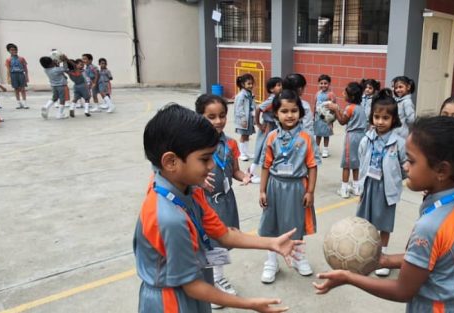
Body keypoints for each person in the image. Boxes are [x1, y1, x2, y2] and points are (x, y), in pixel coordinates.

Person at [314, 116, 454, 313]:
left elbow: (402, 291)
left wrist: (349, 278)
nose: (405, 166)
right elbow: (436, 256)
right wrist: (386, 260)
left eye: (411, 161)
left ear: (442, 170)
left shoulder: (430, 226)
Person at [135, 103, 301, 312]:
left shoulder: (186, 188)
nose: (211, 165)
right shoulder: (170, 219)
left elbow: (223, 234)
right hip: (171, 303)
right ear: (170, 162)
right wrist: (249, 304)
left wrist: (271, 243)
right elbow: (193, 287)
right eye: (204, 159)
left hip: (190, 294)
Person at [194, 94, 253, 309]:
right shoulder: (193, 145)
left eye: (222, 116)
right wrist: (197, 183)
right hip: (204, 202)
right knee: (206, 244)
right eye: (211, 117)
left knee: (222, 242)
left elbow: (235, 170)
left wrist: (244, 176)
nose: (218, 121)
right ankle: (209, 283)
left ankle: (217, 277)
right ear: (199, 117)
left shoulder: (230, 143)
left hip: (226, 200)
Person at [258, 89, 319, 284]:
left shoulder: (306, 138)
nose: (290, 115)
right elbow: (266, 165)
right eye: (284, 111)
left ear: (300, 113)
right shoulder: (271, 137)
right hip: (275, 186)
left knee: (296, 225)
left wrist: (310, 191)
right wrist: (262, 190)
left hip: (297, 187)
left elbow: (312, 166)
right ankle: (271, 262)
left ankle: (298, 256)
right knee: (271, 224)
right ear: (276, 113)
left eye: (294, 110)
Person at [354, 89, 406, 277]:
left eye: (385, 118)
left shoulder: (399, 142)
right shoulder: (366, 139)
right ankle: (367, 254)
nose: (380, 122)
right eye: (376, 117)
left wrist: (396, 177)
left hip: (386, 189)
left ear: (394, 119)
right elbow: (362, 159)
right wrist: (360, 184)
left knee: (383, 224)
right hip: (369, 186)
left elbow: (405, 165)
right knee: (365, 223)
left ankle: (382, 256)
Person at [327, 82, 368, 198]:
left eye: (345, 92)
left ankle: (344, 189)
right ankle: (356, 187)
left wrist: (335, 109)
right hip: (362, 136)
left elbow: (342, 121)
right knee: (356, 163)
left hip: (352, 137)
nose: (343, 94)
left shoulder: (350, 108)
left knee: (347, 163)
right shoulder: (360, 107)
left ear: (352, 96)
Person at [251, 77, 284, 184]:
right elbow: (258, 109)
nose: (281, 87)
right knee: (261, 149)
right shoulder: (272, 99)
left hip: (274, 126)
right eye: (278, 85)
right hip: (268, 127)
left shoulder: (278, 98)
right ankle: (252, 173)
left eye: (281, 85)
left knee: (270, 150)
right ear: (271, 89)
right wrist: (259, 124)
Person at [39, 55, 71, 120]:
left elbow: (57, 69)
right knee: (62, 100)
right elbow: (65, 68)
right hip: (61, 86)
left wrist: (55, 64)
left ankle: (46, 106)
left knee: (54, 98)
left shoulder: (46, 70)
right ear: (50, 64)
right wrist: (64, 60)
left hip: (54, 86)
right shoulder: (56, 70)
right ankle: (60, 114)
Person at [234, 73, 256, 162]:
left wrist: (254, 117)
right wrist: (243, 119)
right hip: (243, 119)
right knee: (243, 135)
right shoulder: (241, 95)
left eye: (252, 83)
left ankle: (246, 152)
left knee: (247, 135)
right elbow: (239, 108)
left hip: (249, 118)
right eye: (249, 84)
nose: (251, 85)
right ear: (243, 84)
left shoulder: (250, 94)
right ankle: (242, 154)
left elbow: (252, 106)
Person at [314, 74, 337, 158]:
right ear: (319, 84)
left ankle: (325, 150)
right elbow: (315, 105)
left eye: (325, 83)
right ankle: (316, 149)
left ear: (329, 84)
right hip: (318, 117)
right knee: (318, 134)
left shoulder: (331, 94)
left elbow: (334, 107)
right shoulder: (317, 94)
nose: (323, 85)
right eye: (321, 83)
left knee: (326, 134)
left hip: (326, 118)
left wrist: (331, 120)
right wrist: (314, 116)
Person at [4, 43, 29, 109]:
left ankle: (25, 102)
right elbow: (8, 70)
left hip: (21, 74)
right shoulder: (8, 60)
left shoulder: (21, 58)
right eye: (11, 50)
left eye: (15, 49)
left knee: (23, 89)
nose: (14, 51)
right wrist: (9, 78)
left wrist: (26, 76)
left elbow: (25, 68)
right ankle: (18, 103)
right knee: (16, 89)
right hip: (13, 75)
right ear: (9, 51)